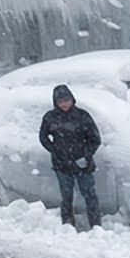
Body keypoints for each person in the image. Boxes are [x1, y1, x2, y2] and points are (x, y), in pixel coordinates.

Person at [39, 85, 102, 229]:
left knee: (90, 195)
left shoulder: (83, 116)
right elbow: (43, 137)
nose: (64, 104)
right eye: (60, 101)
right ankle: (68, 226)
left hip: (82, 164)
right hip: (62, 165)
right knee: (67, 197)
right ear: (56, 102)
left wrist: (85, 154)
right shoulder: (50, 117)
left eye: (66, 100)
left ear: (72, 99)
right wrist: (55, 150)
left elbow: (95, 139)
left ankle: (96, 225)